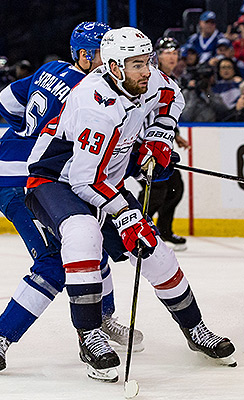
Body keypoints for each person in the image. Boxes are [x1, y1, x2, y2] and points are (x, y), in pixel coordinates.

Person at [25, 27, 236, 382]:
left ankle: (196, 329)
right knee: (83, 234)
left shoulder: (146, 78)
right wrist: (125, 214)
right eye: (137, 64)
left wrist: (159, 134)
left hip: (103, 177)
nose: (147, 70)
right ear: (114, 67)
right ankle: (89, 334)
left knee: (155, 249)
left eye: (148, 61)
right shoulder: (94, 105)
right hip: (57, 178)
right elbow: (84, 180)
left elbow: (172, 94)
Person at [0, 22, 143, 378]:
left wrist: (28, 133)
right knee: (53, 263)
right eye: (103, 54)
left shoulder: (49, 69)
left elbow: (6, 102)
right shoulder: (92, 91)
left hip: (41, 175)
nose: (112, 61)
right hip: (25, 181)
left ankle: (102, 321)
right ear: (84, 56)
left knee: (87, 242)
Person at [137, 37, 189, 251]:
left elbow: (164, 110)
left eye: (175, 53)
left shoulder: (170, 79)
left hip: (157, 142)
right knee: (156, 188)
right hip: (139, 144)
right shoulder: (149, 75)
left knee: (175, 188)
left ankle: (164, 231)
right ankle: (134, 229)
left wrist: (173, 133)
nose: (172, 56)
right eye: (167, 52)